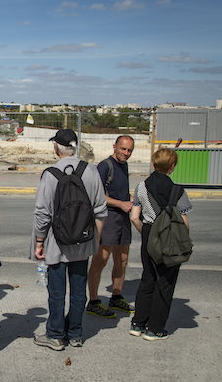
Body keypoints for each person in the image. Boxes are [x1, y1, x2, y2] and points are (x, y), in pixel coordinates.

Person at [30, 129, 107, 350]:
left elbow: (43, 213)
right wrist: (95, 240)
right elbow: (101, 210)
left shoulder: (50, 174)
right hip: (83, 243)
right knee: (78, 290)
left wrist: (39, 242)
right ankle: (75, 333)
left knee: (56, 292)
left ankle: (54, 335)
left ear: (56, 147)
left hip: (56, 244)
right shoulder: (91, 171)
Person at [130, 148, 192, 341]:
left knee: (148, 278)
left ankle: (138, 323)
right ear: (172, 167)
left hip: (149, 234)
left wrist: (147, 235)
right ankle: (154, 329)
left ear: (154, 164)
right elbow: (184, 223)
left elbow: (134, 217)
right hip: (169, 238)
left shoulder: (142, 186)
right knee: (165, 282)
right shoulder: (177, 191)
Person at [87, 135, 135, 318]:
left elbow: (120, 191)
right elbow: (97, 196)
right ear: (114, 146)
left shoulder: (125, 165)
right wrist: (120, 203)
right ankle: (93, 301)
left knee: (122, 260)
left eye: (129, 150)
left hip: (122, 218)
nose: (126, 153)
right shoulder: (105, 166)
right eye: (123, 149)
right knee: (100, 260)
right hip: (108, 219)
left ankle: (117, 296)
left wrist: (130, 200)